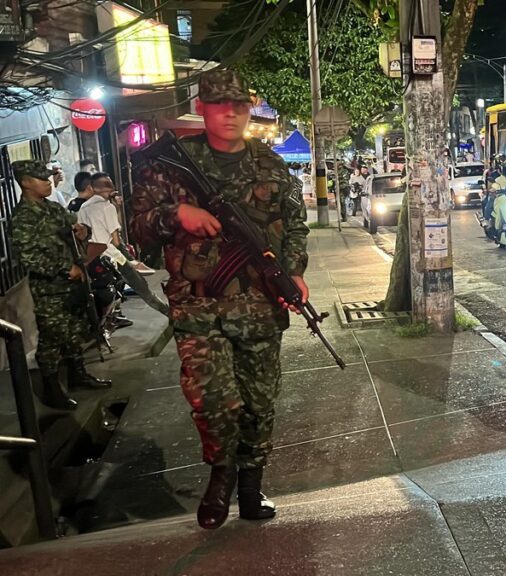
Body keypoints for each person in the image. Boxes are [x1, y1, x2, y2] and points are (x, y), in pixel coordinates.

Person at [130, 69, 309, 530]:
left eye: (239, 106)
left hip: (259, 307)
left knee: (258, 401)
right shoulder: (170, 165)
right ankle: (220, 478)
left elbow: (294, 226)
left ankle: (251, 487)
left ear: (249, 110)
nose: (230, 114)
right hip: (199, 305)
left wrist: (294, 272)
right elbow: (137, 228)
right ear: (203, 108)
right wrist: (177, 214)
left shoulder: (271, 165)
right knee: (211, 401)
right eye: (219, 105)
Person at [10, 160, 112, 411]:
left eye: (48, 178)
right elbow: (26, 256)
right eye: (41, 179)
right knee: (52, 335)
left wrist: (82, 230)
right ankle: (52, 387)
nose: (48, 182)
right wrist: (64, 269)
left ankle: (78, 374)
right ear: (25, 183)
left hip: (74, 282)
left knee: (75, 327)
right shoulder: (22, 218)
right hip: (49, 287)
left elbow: (76, 225)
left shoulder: (52, 209)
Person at [78, 172, 169, 317]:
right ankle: (169, 313)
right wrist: (128, 258)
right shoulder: (107, 207)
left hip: (93, 255)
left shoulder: (84, 207)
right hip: (112, 254)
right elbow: (116, 240)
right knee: (141, 287)